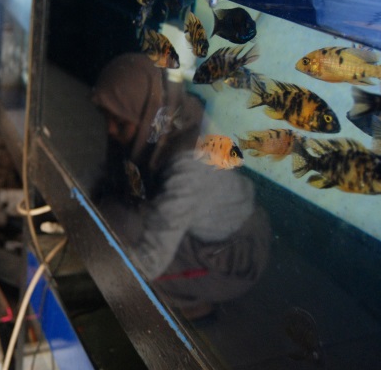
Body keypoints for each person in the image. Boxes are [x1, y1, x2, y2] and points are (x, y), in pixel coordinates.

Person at [91, 53, 270, 320]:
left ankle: (194, 303)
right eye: (106, 117)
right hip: (201, 225)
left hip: (232, 257)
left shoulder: (189, 166)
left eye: (119, 121)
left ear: (146, 112)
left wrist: (97, 272)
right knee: (112, 213)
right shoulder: (168, 117)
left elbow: (151, 259)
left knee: (119, 240)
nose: (110, 131)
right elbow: (105, 179)